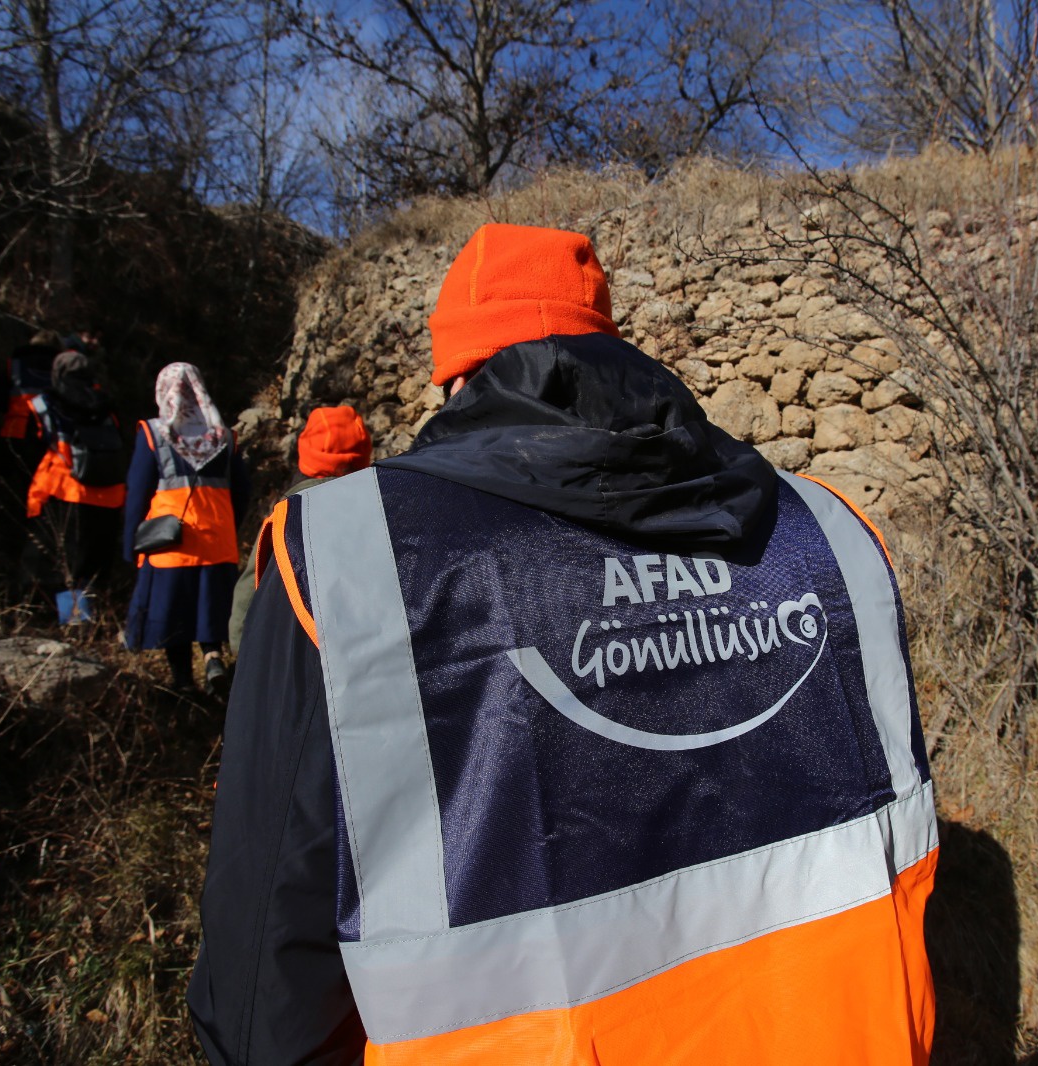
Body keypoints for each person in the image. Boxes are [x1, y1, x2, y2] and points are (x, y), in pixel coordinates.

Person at [189, 224, 938, 1064]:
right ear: (610, 346)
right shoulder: (829, 533)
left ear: (458, 374)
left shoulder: (355, 560)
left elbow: (266, 966)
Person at [124, 362, 251, 693]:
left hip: (170, 544)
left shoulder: (154, 433)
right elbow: (242, 491)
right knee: (211, 606)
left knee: (173, 614)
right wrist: (228, 528)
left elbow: (137, 492)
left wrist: (130, 544)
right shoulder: (224, 436)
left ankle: (182, 682)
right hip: (218, 541)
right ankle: (212, 658)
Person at [226, 405, 373, 652]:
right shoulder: (374, 512)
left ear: (305, 456)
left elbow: (251, 587)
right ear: (364, 458)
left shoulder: (283, 518)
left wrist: (241, 649)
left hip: (292, 652)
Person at [24, 349, 127, 617]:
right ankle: (93, 616)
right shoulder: (106, 404)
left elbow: (31, 448)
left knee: (66, 564)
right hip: (110, 495)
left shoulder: (47, 402)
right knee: (95, 563)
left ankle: (72, 621)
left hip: (66, 491)